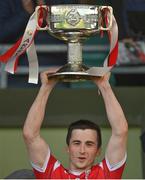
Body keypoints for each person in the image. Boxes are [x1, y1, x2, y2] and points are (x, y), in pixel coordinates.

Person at [23, 68, 128, 179]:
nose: (82, 151)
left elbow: (120, 131)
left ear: (98, 151)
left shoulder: (106, 174)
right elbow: (30, 134)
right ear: (68, 148)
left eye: (89, 144)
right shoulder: (52, 173)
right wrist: (46, 87)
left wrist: (104, 86)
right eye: (77, 143)